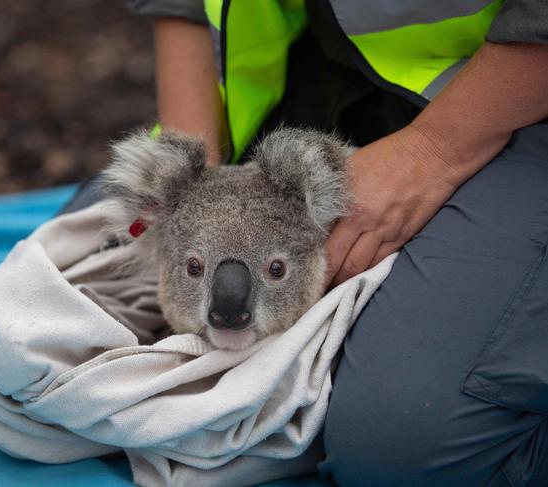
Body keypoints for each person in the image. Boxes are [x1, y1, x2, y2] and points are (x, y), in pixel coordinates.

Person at [67, 1, 548, 485]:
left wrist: (435, 147)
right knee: (58, 313)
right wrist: (189, 183)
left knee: (400, 447)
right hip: (314, 72)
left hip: (518, 94)